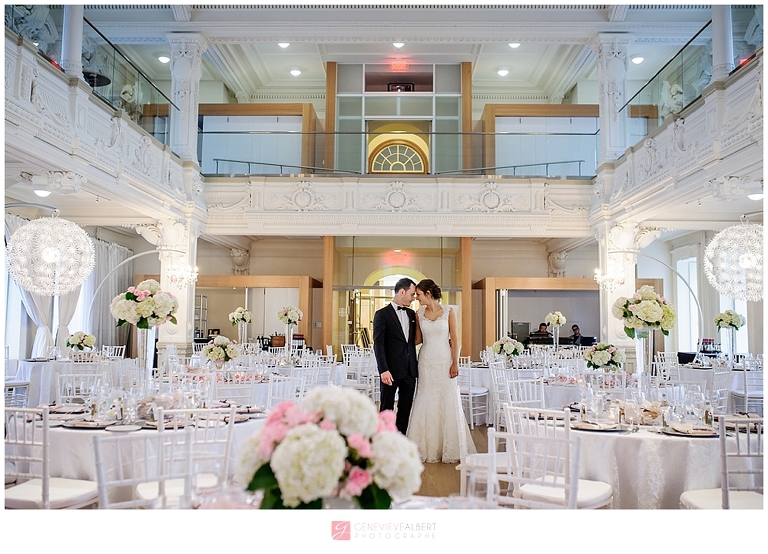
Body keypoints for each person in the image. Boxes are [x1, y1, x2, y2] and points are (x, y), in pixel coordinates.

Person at [406, 279, 476, 463]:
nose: (417, 298)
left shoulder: (449, 312)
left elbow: (455, 338)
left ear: (428, 293)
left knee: (447, 398)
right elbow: (417, 340)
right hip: (426, 360)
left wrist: (455, 363)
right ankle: (425, 448)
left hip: (445, 360)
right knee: (426, 398)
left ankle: (450, 448)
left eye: (419, 294)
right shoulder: (418, 313)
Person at [372, 277, 418, 434]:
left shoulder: (412, 315)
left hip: (410, 371)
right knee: (386, 408)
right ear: (402, 291)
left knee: (405, 409)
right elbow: (378, 344)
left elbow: (418, 339)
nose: (413, 298)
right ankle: (383, 440)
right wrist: (383, 369)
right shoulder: (381, 315)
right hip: (389, 371)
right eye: (412, 294)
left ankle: (400, 441)